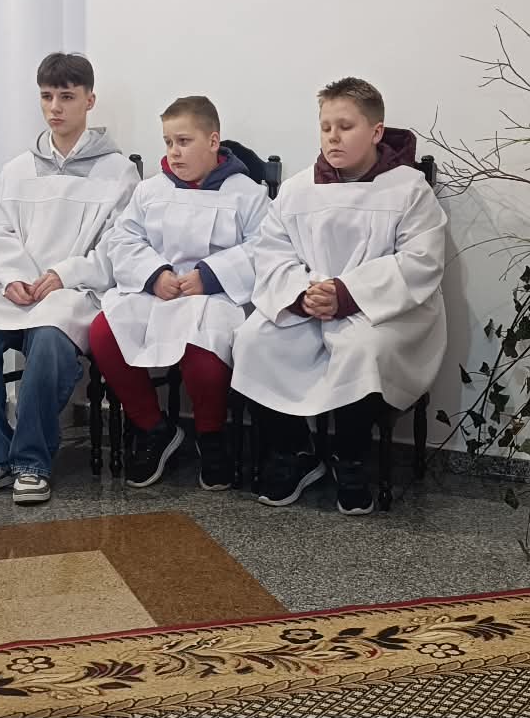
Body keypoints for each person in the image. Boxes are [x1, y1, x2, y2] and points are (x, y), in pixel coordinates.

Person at [231, 77, 447, 515]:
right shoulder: (298, 189)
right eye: (326, 126)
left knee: (362, 348)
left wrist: (347, 294)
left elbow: (421, 260)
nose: (333, 136)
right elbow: (271, 252)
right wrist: (301, 295)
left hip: (380, 310)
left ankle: (350, 457)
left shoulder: (408, 188)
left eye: (345, 127)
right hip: (309, 304)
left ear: (376, 131)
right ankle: (294, 451)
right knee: (253, 340)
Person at [0, 52, 136, 505]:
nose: (55, 107)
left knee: (50, 339)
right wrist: (11, 276)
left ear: (89, 100)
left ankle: (31, 461)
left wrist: (63, 273)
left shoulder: (118, 173)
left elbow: (118, 247)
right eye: (47, 96)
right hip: (15, 289)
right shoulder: (16, 170)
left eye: (66, 97)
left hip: (73, 290)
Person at [88, 96, 271, 490]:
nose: (173, 151)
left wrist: (210, 275)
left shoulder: (247, 193)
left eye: (184, 141)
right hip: (157, 294)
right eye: (168, 142)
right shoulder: (150, 190)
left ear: (213, 141)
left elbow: (266, 247)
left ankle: (211, 437)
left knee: (204, 347)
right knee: (104, 332)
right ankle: (154, 428)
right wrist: (154, 274)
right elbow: (122, 239)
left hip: (216, 297)